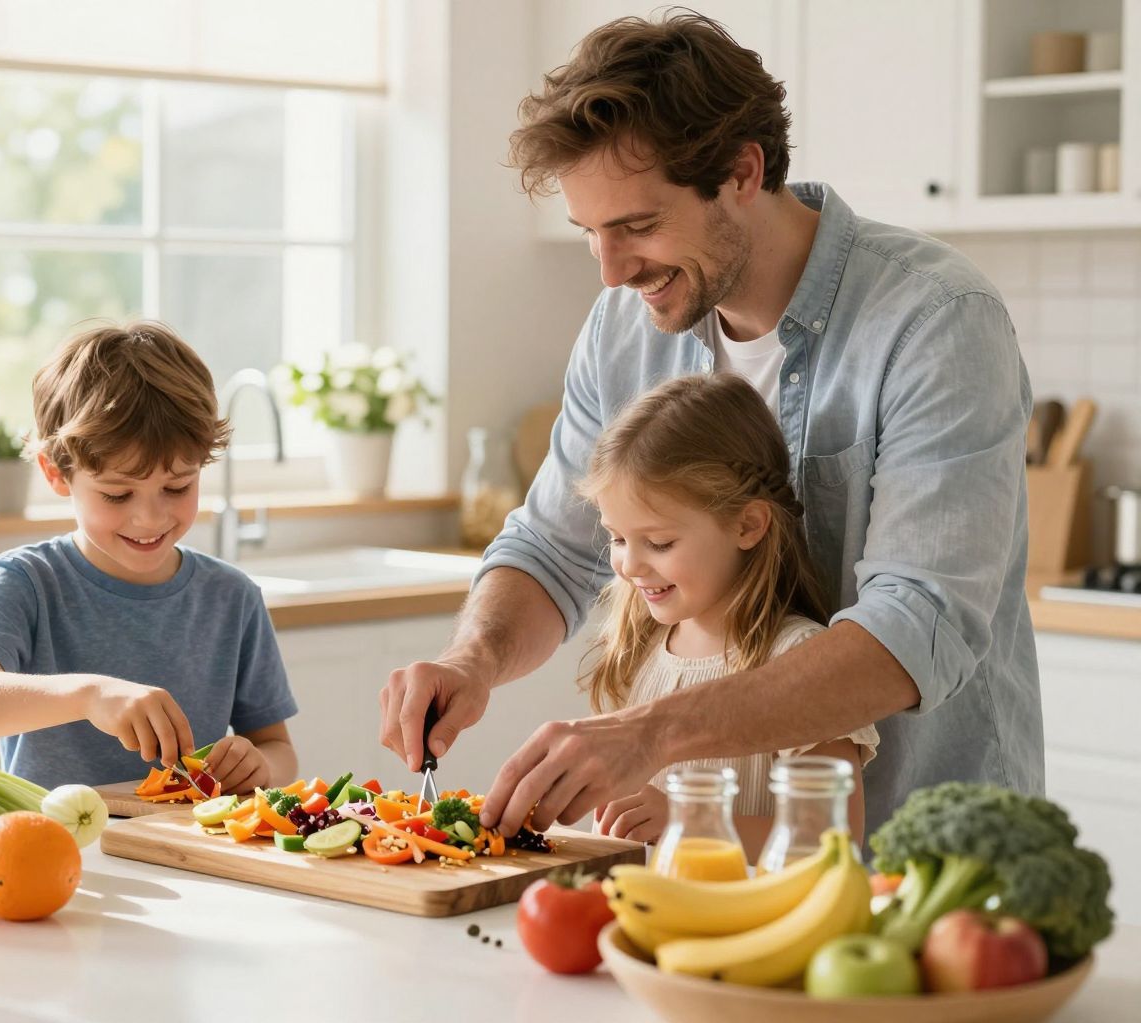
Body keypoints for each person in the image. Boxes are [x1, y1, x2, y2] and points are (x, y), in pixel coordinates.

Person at [380, 12, 1039, 840]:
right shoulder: (625, 328)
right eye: (591, 233)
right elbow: (553, 548)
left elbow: (915, 628)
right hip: (713, 876)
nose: (613, 271)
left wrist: (648, 734)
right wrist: (470, 661)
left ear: (741, 170)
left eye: (638, 226)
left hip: (927, 859)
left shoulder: (934, 319)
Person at [0, 321, 299, 793]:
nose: (149, 518)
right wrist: (89, 695)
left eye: (177, 486)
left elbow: (279, 750)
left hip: (185, 855)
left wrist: (259, 766)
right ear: (56, 474)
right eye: (118, 494)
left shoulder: (233, 598)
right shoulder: (27, 582)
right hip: (56, 853)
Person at [579, 374, 876, 857]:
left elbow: (834, 842)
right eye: (616, 537)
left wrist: (687, 819)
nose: (629, 565)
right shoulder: (641, 645)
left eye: (659, 542)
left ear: (748, 524)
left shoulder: (801, 662)